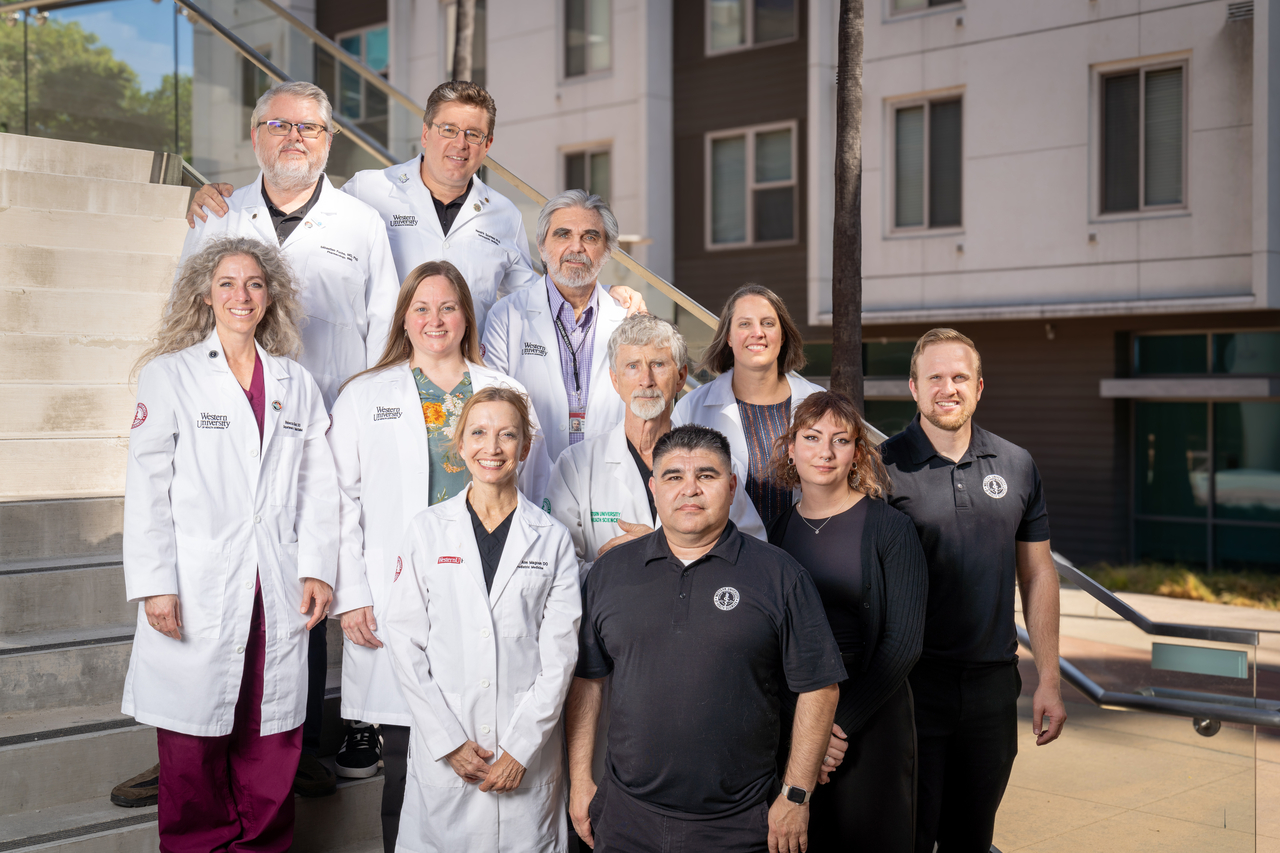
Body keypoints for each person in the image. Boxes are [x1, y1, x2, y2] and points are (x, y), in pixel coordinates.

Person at [160, 81, 402, 800]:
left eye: (309, 128)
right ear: (256, 136)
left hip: (325, 436)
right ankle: (205, 732)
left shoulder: (362, 224)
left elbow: (384, 332)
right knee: (222, 585)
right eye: (278, 124)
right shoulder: (216, 217)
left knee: (308, 584)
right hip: (230, 438)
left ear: (329, 142)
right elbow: (184, 324)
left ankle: (298, 745)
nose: (294, 137)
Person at [120, 236, 338, 852]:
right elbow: (147, 486)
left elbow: (319, 485)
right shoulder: (171, 376)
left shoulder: (296, 383)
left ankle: (262, 847)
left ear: (271, 298)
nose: (241, 296)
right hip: (197, 579)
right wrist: (156, 584)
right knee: (193, 740)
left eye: (254, 285)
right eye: (227, 284)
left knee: (270, 735)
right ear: (205, 296)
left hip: (277, 579)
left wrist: (318, 566)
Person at [327, 261, 553, 852]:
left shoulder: (506, 390)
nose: (435, 320)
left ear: (466, 317)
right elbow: (338, 500)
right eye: (422, 308)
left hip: (494, 582)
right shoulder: (365, 393)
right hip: (399, 595)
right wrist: (353, 594)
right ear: (404, 316)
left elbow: (539, 488)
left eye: (448, 307)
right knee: (410, 756)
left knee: (501, 744)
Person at [565, 425, 846, 853]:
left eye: (708, 476)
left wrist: (795, 795)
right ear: (654, 488)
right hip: (625, 819)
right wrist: (581, 779)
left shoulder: (779, 575)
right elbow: (587, 680)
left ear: (732, 486)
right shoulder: (610, 572)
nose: (689, 490)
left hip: (739, 824)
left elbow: (820, 688)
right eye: (674, 476)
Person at [188, 79, 645, 336]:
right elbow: (297, 209)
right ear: (425, 134)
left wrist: (608, 296)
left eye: (473, 135)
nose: (459, 145)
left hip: (463, 373)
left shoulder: (502, 213)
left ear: (488, 145)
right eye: (448, 130)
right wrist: (224, 196)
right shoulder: (369, 190)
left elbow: (534, 294)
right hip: (386, 364)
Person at [878, 328, 1066, 853]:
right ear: (912, 388)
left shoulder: (1016, 464)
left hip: (992, 685)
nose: (947, 388)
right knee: (909, 834)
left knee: (972, 836)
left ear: (979, 387)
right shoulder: (879, 468)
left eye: (959, 377)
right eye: (933, 377)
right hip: (912, 686)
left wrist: (1048, 677)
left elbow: (1038, 572)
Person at [383, 387, 582, 852]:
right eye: (479, 433)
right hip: (448, 749)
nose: (491, 448)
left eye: (507, 435)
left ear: (525, 448)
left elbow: (561, 657)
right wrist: (448, 740)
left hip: (526, 752)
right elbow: (404, 643)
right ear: (460, 443)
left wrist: (520, 748)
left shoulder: (551, 539)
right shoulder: (426, 531)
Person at [766, 390, 928, 852]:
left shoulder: (889, 527)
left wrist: (836, 728)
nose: (825, 451)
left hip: (870, 713)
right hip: (796, 716)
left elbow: (904, 643)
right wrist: (803, 728)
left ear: (856, 452)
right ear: (791, 447)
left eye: (840, 440)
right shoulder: (777, 531)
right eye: (813, 437)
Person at [546, 313, 765, 577]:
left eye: (658, 364)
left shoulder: (719, 462)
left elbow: (753, 556)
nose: (646, 380)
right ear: (615, 380)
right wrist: (625, 568)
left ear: (681, 377)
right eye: (632, 366)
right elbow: (558, 569)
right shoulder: (575, 465)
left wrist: (659, 550)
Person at [482, 190, 631, 463]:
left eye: (590, 237)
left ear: (608, 250)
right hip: (530, 481)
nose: (576, 247)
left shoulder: (627, 319)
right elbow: (491, 409)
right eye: (563, 235)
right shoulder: (507, 316)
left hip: (610, 483)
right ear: (541, 245)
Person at [673, 285, 823, 528]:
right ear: (729, 337)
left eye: (768, 323)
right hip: (729, 557)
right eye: (744, 324)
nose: (758, 333)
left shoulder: (817, 401)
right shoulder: (692, 408)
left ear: (782, 335)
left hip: (807, 552)